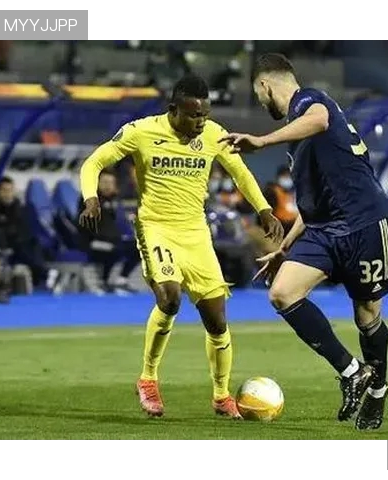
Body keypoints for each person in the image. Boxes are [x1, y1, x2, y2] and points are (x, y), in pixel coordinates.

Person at [78, 74, 283, 419]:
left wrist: (263, 209)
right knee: (169, 298)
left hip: (196, 233)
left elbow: (240, 173)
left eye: (204, 115)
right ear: (173, 109)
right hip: (156, 228)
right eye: (193, 115)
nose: (200, 122)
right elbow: (94, 161)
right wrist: (91, 198)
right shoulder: (141, 131)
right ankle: (148, 379)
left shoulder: (214, 134)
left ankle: (221, 396)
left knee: (216, 320)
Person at [219, 53, 388, 430]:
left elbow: (319, 118)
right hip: (326, 228)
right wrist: (283, 249)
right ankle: (352, 371)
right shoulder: (299, 137)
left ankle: (378, 390)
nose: (261, 103)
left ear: (265, 85)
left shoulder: (310, 101)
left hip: (366, 222)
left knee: (367, 314)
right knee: (282, 293)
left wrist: (261, 141)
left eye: (259, 96)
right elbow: (311, 204)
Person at [0, 176, 61, 293]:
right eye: (4, 190)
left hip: (17, 243)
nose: (7, 194)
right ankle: (45, 274)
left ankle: (43, 275)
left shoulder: (20, 207)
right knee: (22, 246)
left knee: (32, 243)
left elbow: (24, 229)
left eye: (10, 190)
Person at [77, 169, 140, 295]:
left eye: (111, 183)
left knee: (140, 247)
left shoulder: (114, 201)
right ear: (97, 183)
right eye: (105, 182)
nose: (108, 186)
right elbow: (89, 226)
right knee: (115, 249)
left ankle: (121, 281)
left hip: (112, 240)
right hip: (93, 241)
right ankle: (103, 281)